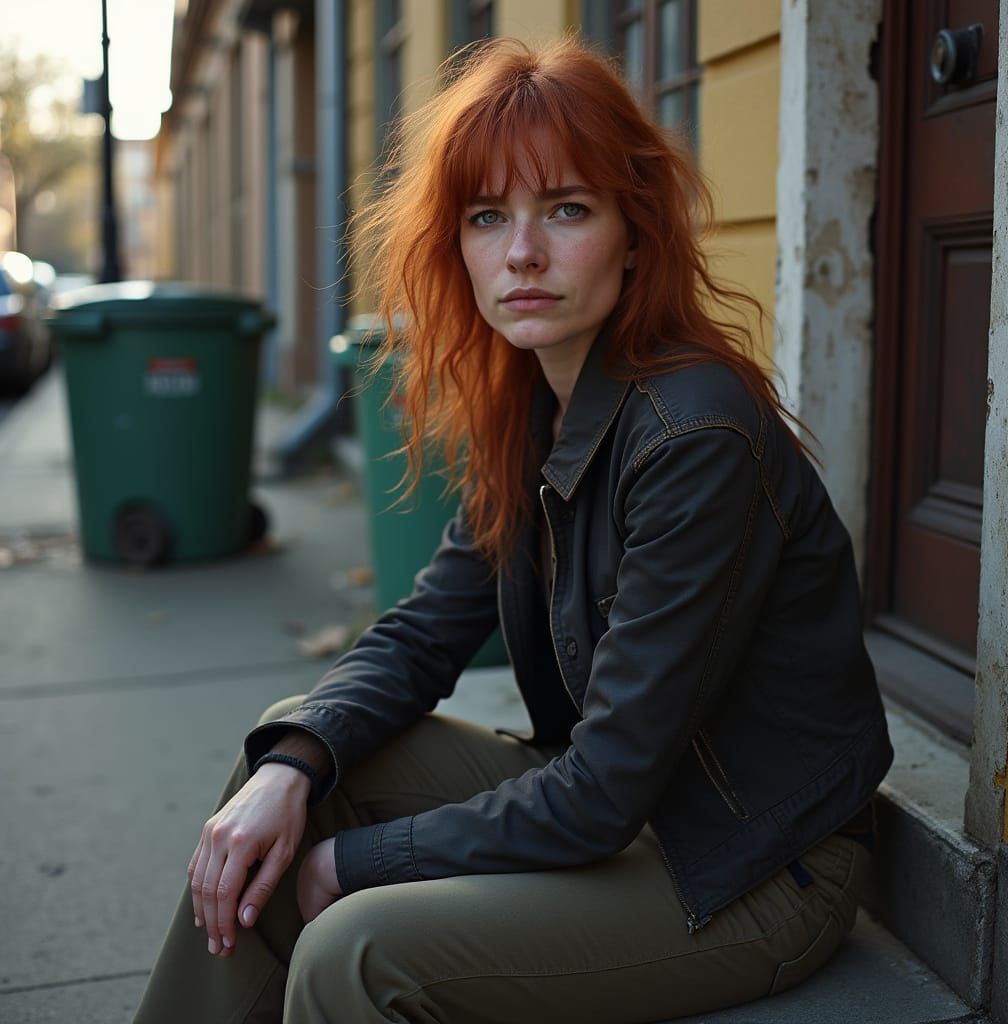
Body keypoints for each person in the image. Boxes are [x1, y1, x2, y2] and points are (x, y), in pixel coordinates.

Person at [135, 36, 893, 1024]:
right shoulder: (533, 404)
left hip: (748, 867)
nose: (521, 252)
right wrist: (295, 762)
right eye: (488, 216)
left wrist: (353, 865)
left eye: (565, 210)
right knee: (283, 767)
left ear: (634, 231)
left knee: (354, 951)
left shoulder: (694, 436)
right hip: (627, 807)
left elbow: (605, 786)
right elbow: (422, 633)